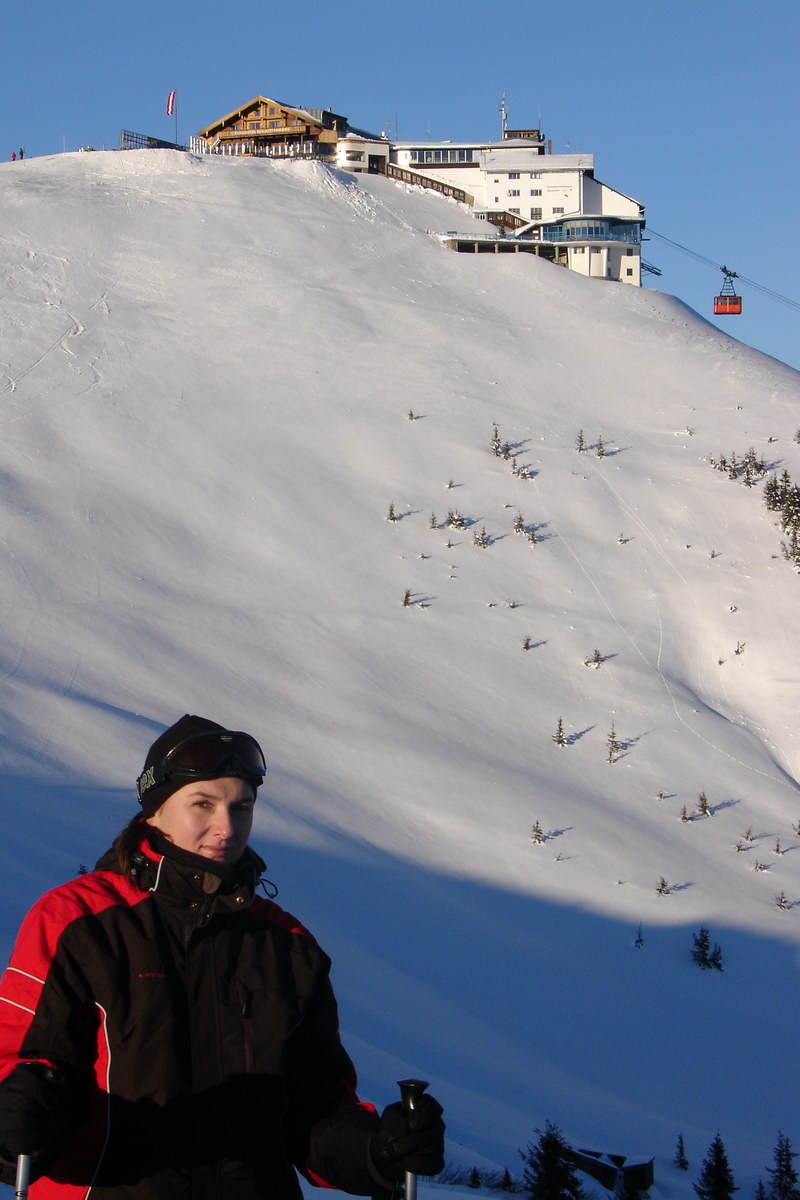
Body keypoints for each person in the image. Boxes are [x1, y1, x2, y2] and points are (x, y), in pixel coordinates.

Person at [0, 715, 445, 1200]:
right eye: (203, 804)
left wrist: (378, 1153)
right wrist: (16, 1117)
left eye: (243, 807)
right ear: (153, 811)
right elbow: (22, 1065)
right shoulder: (80, 921)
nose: (227, 827)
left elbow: (314, 1113)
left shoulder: (287, 945)